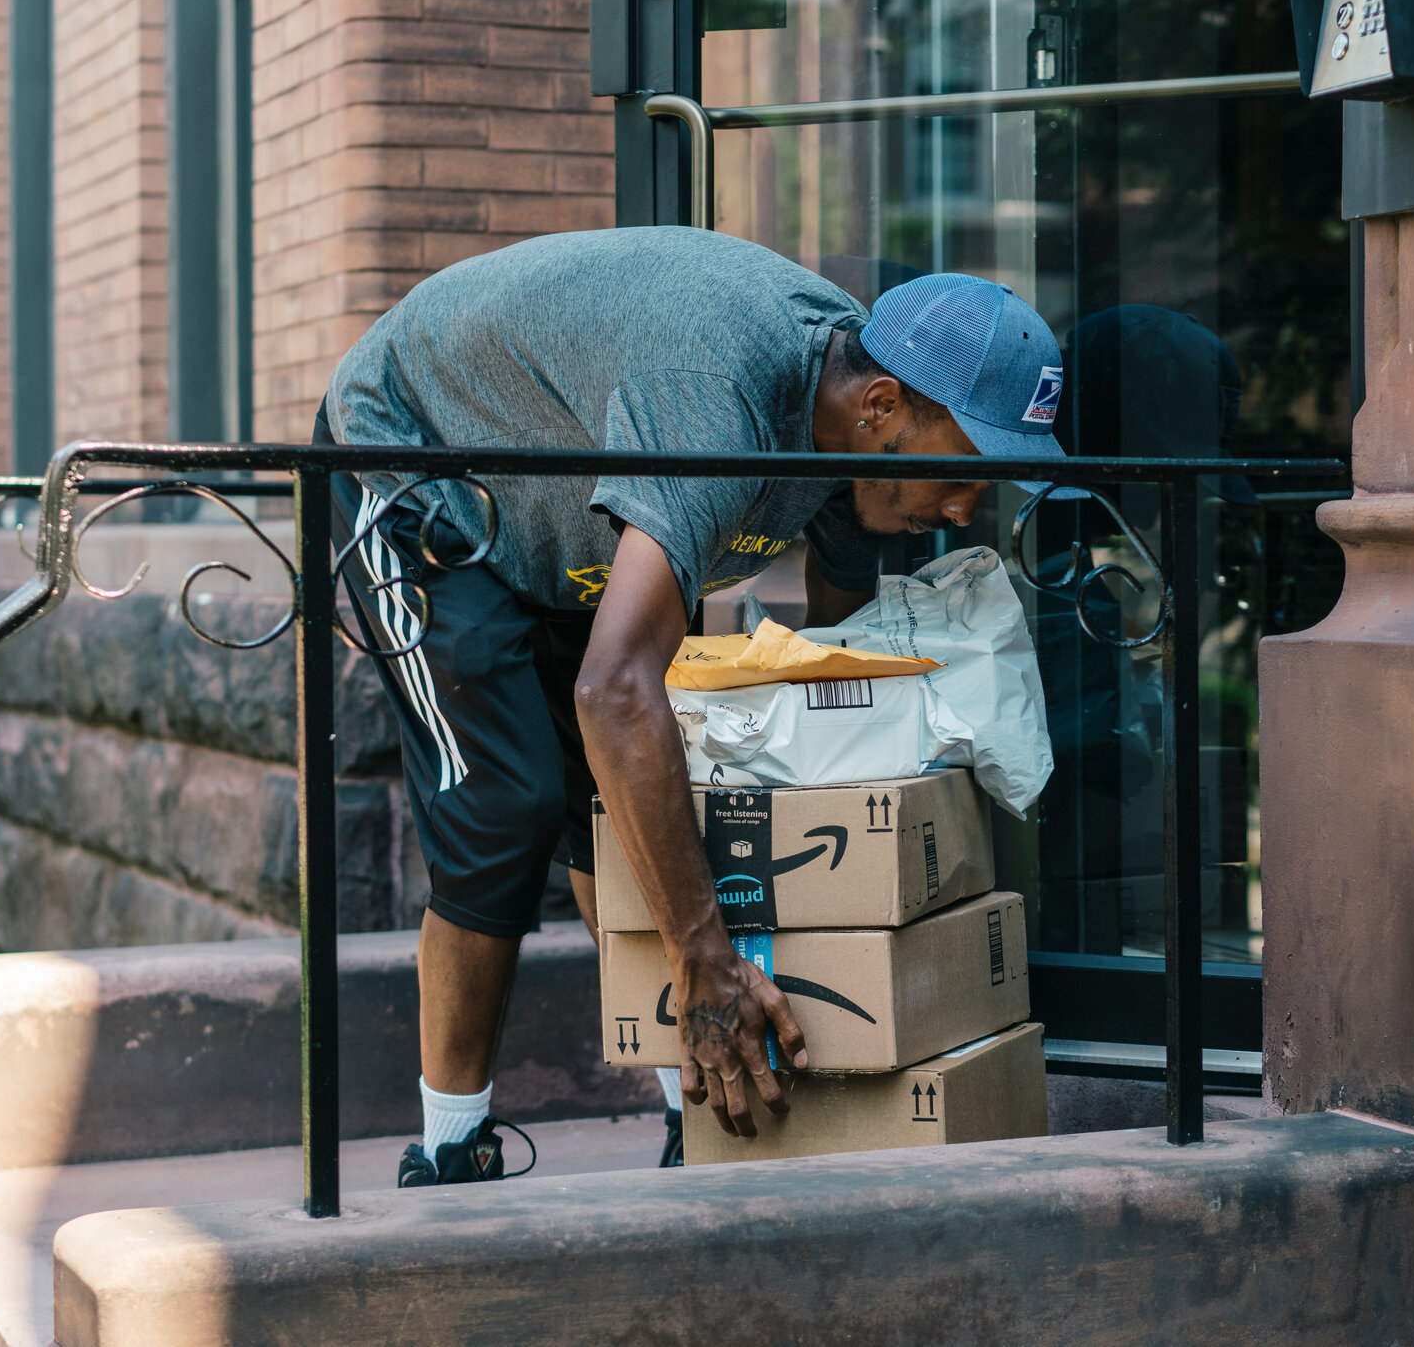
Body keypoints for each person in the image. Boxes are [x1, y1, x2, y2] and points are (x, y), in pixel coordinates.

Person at [317, 225, 1067, 1185]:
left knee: (615, 807)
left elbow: (828, 671)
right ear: (882, 405)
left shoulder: (851, 433)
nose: (965, 509)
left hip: (555, 501)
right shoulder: (715, 402)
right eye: (961, 473)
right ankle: (450, 1147)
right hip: (416, 458)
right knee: (504, 805)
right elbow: (614, 688)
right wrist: (703, 952)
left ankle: (699, 1121)